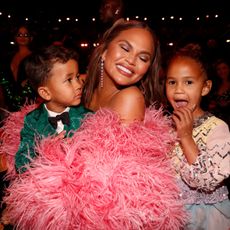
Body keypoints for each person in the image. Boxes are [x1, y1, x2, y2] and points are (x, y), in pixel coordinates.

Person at [1, 20, 187, 229]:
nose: (131, 60)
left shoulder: (130, 98)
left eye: (143, 58)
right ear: (105, 49)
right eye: (125, 48)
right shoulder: (81, 84)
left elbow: (104, 182)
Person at [165, 43, 230, 229]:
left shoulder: (217, 128)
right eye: (172, 82)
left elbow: (207, 180)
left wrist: (186, 137)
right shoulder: (166, 127)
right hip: (173, 214)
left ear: (205, 87)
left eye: (188, 82)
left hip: (205, 218)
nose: (178, 90)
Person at [14, 45, 92, 173]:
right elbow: (21, 164)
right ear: (45, 93)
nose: (79, 84)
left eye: (77, 77)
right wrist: (44, 151)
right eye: (69, 80)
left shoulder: (88, 117)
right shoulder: (33, 120)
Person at [0, 24, 36, 112]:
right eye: (19, 34)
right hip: (9, 104)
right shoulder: (8, 57)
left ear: (31, 38)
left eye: (26, 35)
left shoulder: (35, 57)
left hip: (28, 103)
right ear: (15, 38)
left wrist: (28, 82)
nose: (22, 37)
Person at [208, 58, 230, 127]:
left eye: (224, 68)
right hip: (214, 121)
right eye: (219, 69)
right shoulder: (215, 85)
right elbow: (211, 102)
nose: (222, 71)